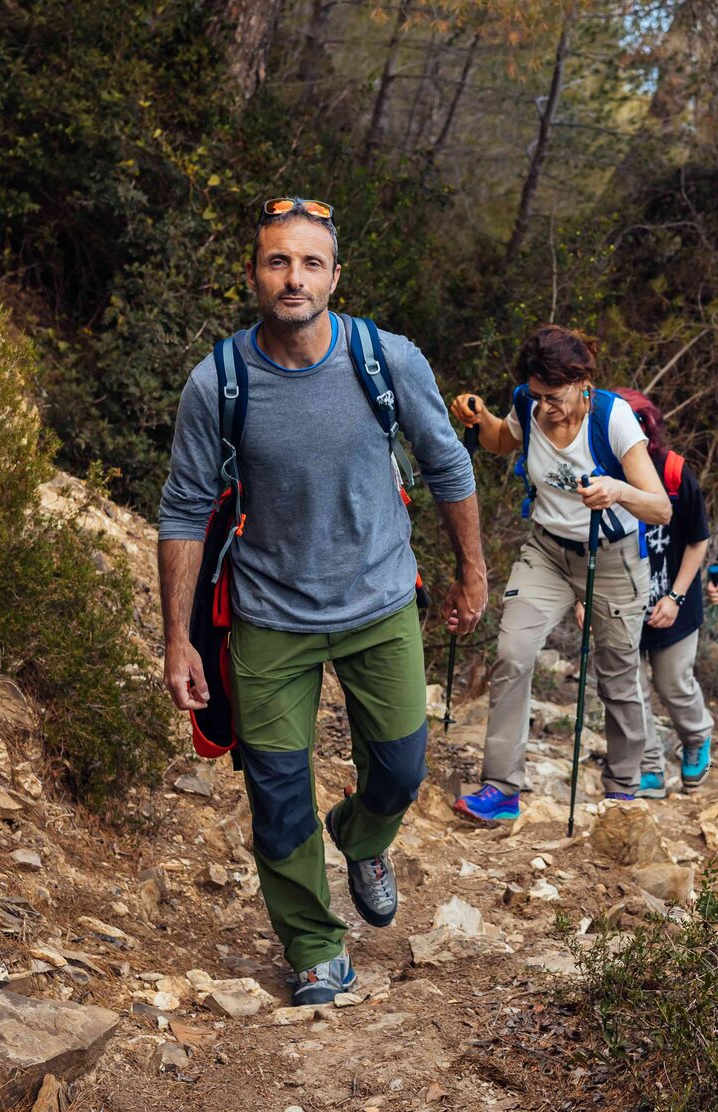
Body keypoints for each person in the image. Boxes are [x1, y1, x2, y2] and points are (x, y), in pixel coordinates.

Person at [158, 196, 488, 1004]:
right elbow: (181, 510)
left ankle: (362, 835)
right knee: (274, 795)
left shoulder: (386, 358)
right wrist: (177, 638)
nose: (293, 277)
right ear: (253, 275)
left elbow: (448, 465)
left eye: (310, 262)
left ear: (336, 275)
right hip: (270, 620)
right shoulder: (220, 380)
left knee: (403, 770)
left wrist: (473, 572)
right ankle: (313, 947)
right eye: (277, 261)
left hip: (379, 606)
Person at [449, 325, 671, 823]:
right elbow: (500, 443)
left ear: (582, 380)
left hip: (612, 558)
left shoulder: (614, 419)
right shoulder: (527, 404)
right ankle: (502, 788)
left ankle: (623, 791)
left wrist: (617, 490)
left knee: (617, 677)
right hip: (547, 550)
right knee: (513, 651)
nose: (545, 407)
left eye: (555, 396)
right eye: (538, 395)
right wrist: (481, 415)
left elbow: (660, 509)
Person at [578, 389, 711, 797]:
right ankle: (649, 766)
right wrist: (582, 599)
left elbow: (697, 540)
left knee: (673, 683)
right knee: (629, 687)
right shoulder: (593, 471)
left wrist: (676, 597)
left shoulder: (671, 472)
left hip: (673, 601)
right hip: (618, 601)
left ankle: (696, 738)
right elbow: (575, 541)